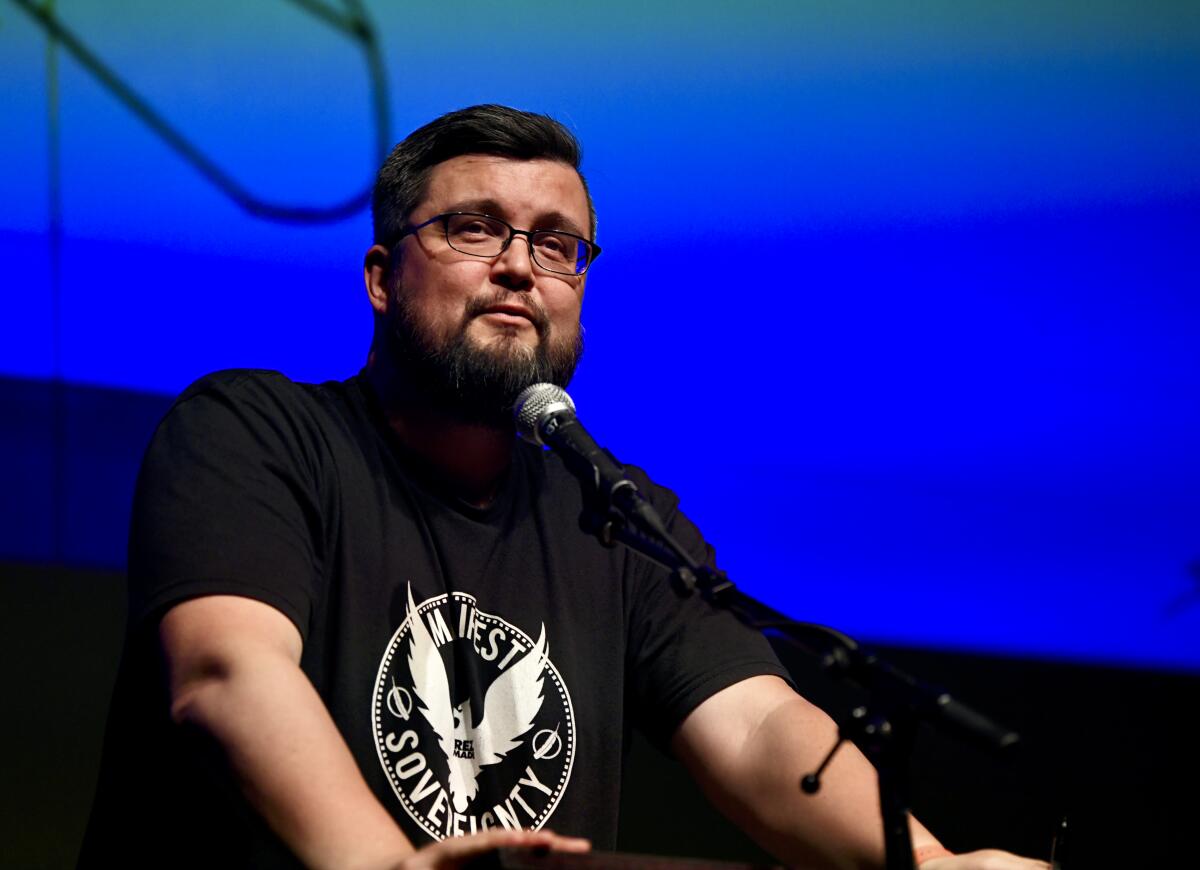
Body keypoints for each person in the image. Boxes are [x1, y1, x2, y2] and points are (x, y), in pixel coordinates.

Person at [80, 105, 1047, 870]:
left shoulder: (613, 514)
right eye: (473, 229)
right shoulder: (254, 431)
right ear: (381, 276)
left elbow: (754, 725)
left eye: (556, 246)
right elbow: (227, 673)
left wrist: (925, 863)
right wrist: (384, 863)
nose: (518, 268)